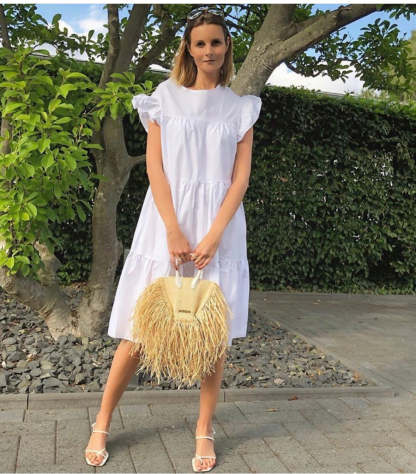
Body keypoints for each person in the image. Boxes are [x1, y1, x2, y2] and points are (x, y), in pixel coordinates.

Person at [84, 6, 262, 472]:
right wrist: (173, 228)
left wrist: (214, 235)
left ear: (227, 47)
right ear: (188, 48)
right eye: (200, 43)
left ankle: (204, 429)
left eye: (216, 42)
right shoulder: (164, 98)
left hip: (220, 227)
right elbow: (156, 169)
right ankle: (101, 421)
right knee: (138, 330)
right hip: (166, 221)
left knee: (211, 334)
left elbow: (240, 180)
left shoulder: (241, 108)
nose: (208, 50)